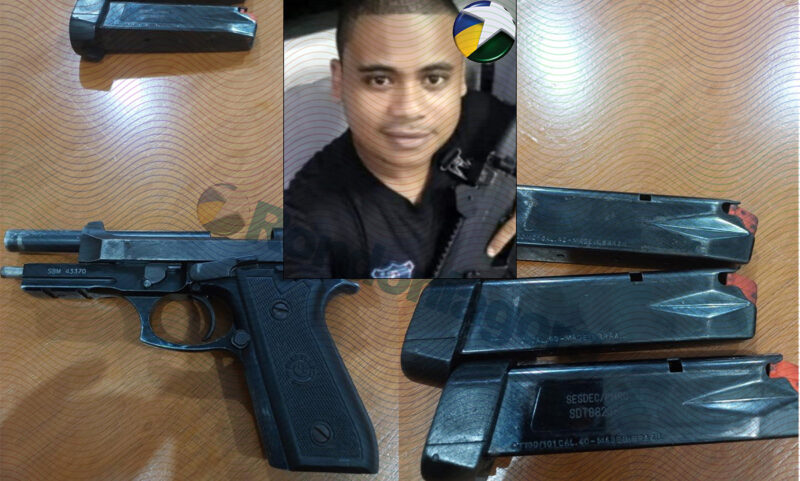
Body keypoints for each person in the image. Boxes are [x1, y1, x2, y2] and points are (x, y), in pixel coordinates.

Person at [284, 0, 516, 278]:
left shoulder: (489, 122)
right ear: (339, 81)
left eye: (434, 79)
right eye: (379, 80)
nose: (408, 109)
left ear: (461, 81)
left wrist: (550, 206)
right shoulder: (306, 218)